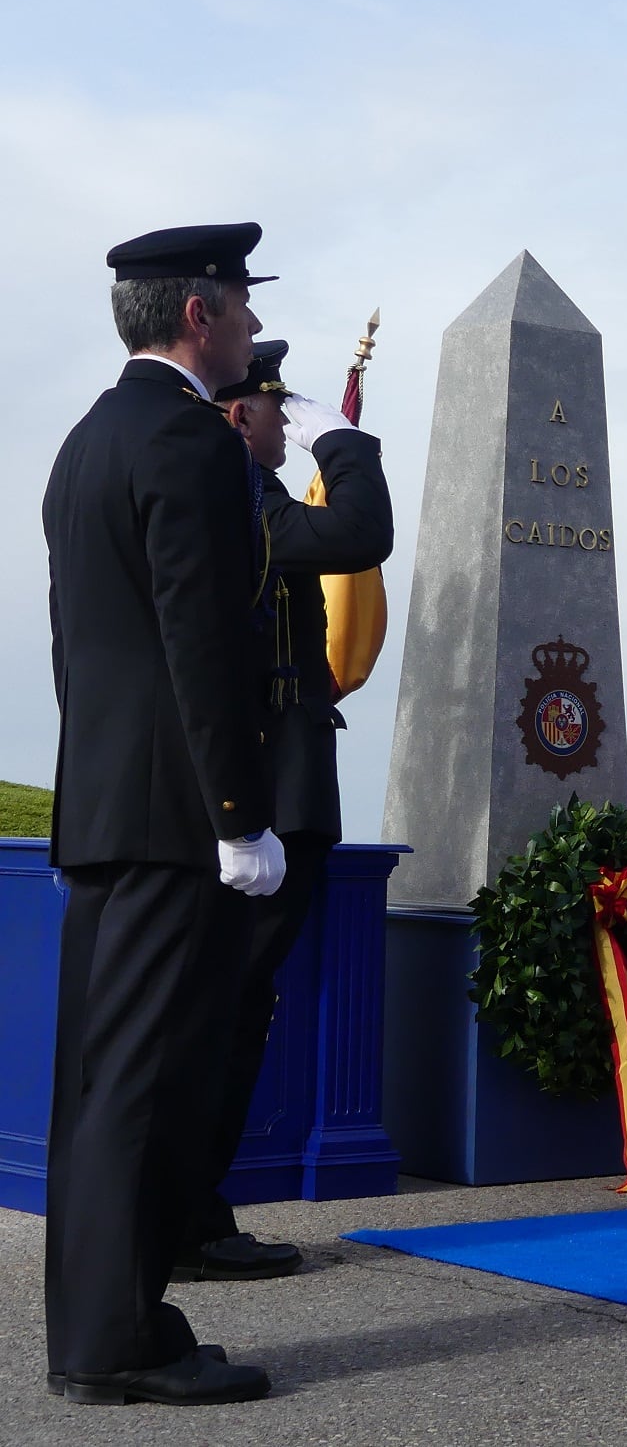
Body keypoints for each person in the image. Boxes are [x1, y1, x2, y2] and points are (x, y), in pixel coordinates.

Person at [42, 224, 286, 1407]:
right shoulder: (189, 441)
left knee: (97, 1087)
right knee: (148, 1085)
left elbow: (77, 654)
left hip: (108, 809)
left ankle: (107, 1326)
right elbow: (201, 645)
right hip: (175, 818)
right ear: (199, 315)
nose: (247, 328)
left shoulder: (88, 441)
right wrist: (238, 816)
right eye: (240, 309)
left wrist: (86, 802)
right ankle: (116, 1344)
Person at [179, 339, 393, 1284]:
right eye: (277, 407)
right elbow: (357, 533)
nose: (286, 421)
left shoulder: (249, 502)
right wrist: (342, 442)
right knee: (223, 1012)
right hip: (271, 794)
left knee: (237, 1008)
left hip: (278, 789)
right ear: (241, 416)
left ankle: (193, 1207)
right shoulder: (246, 505)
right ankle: (185, 1214)